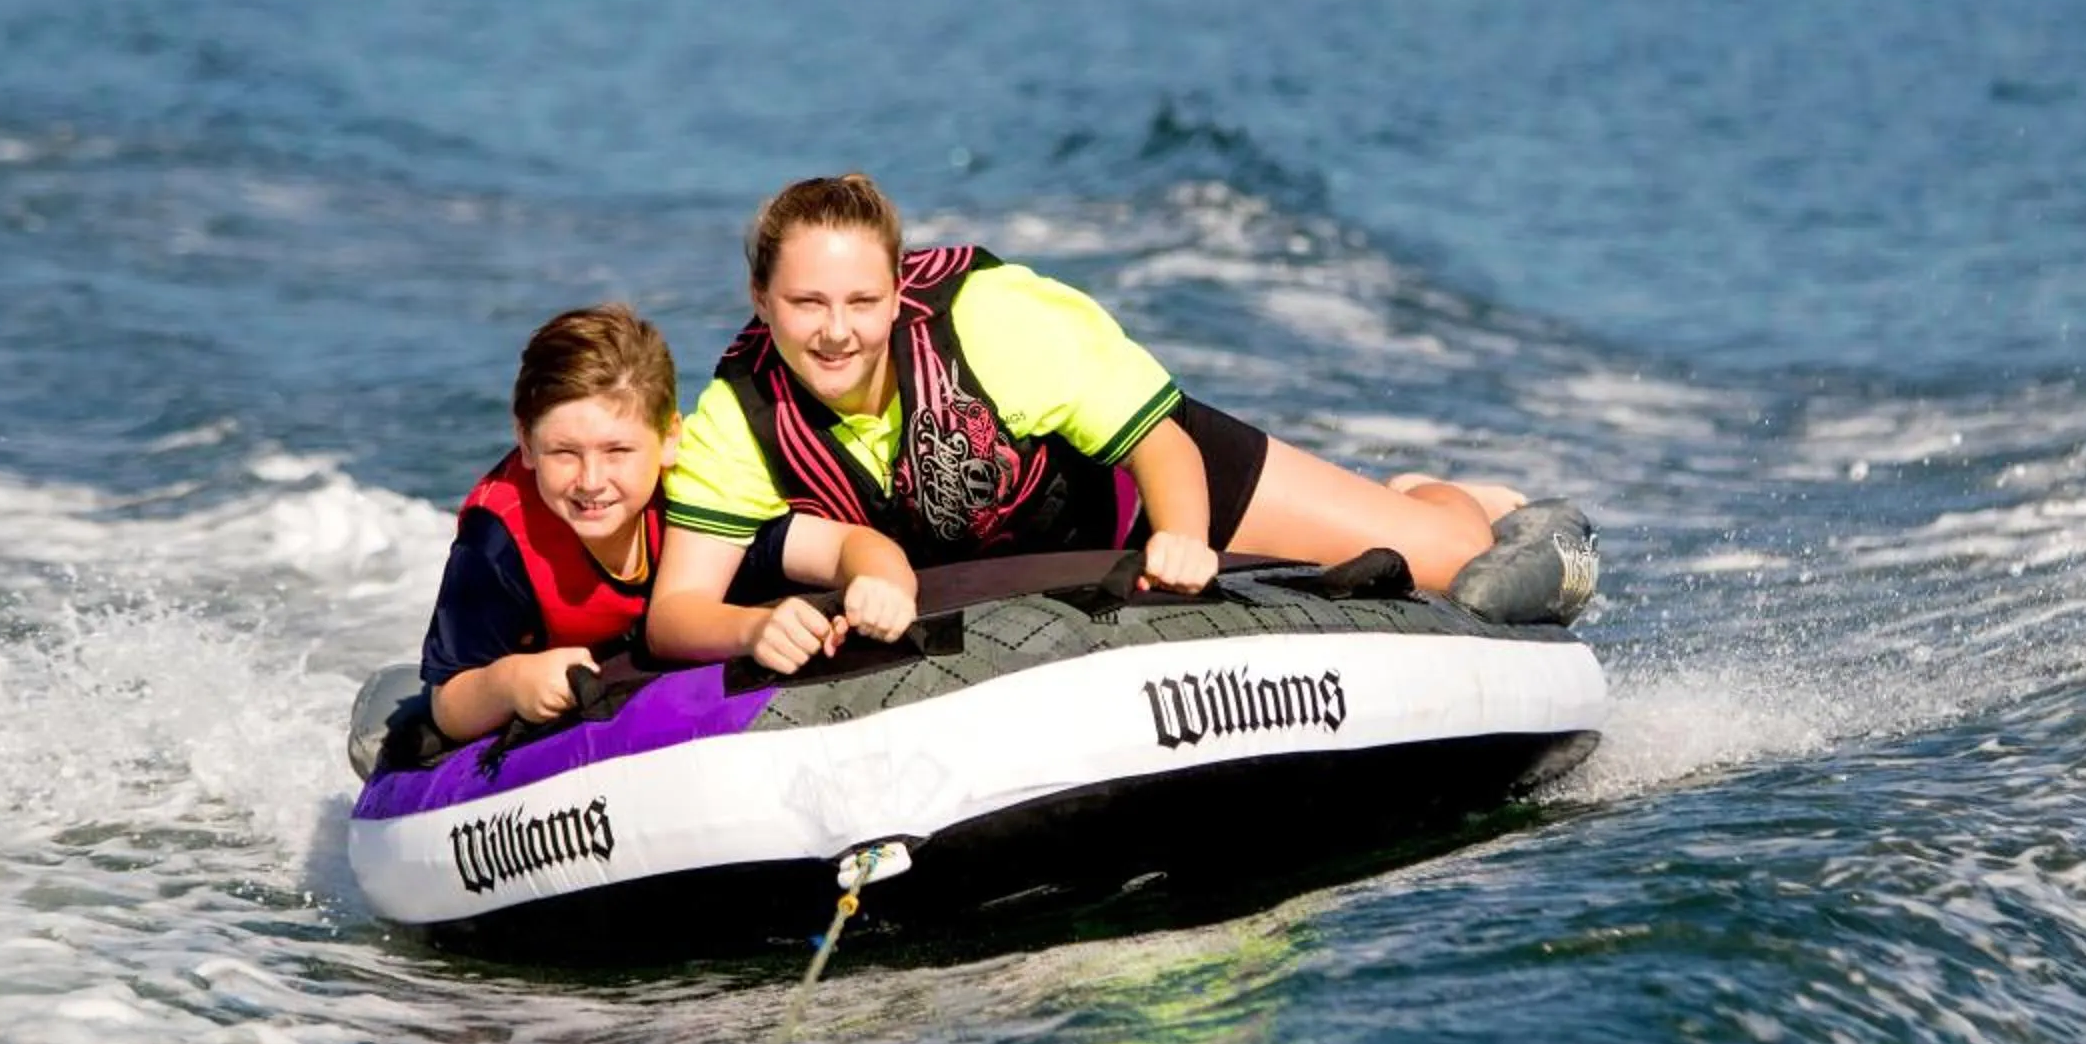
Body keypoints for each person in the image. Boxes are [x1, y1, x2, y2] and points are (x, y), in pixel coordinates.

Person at [645, 174, 1540, 665]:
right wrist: (751, 628)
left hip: (1150, 495)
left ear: (897, 292)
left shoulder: (993, 320)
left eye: (859, 300)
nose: (836, 331)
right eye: (806, 302)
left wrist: (1185, 535)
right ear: (760, 300)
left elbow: (1158, 442)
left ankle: (1445, 498)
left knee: (1462, 572)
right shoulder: (738, 418)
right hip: (1002, 575)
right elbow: (675, 612)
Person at [416, 300, 921, 746]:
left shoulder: (699, 490)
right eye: (564, 453)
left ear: (669, 438)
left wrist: (880, 584)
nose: (591, 481)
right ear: (525, 443)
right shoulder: (500, 539)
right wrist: (511, 681)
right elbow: (449, 702)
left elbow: (843, 547)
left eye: (618, 450)